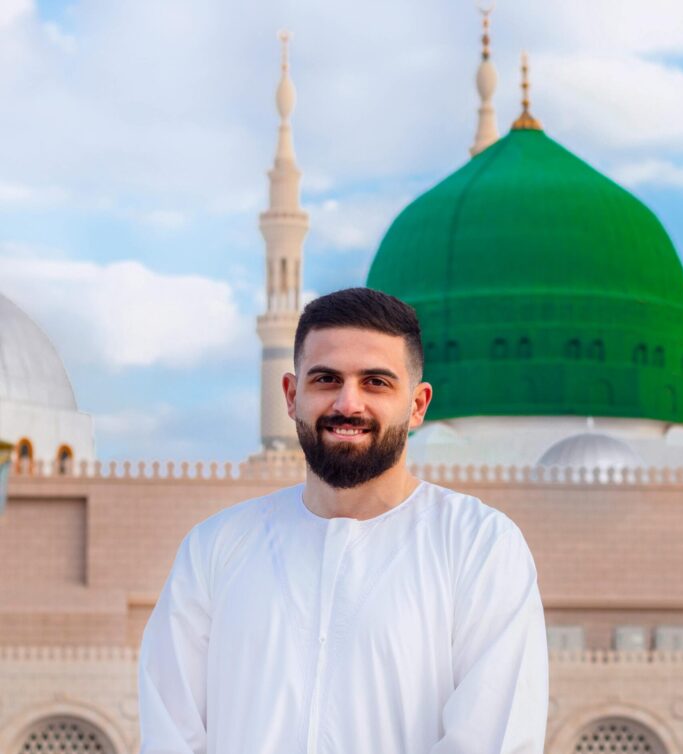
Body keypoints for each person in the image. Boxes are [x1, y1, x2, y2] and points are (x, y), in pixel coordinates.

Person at [138, 287, 548, 753]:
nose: (348, 404)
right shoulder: (215, 550)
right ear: (291, 395)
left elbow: (490, 742)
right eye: (327, 380)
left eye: (376, 382)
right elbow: (171, 738)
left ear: (417, 405)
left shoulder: (477, 547)